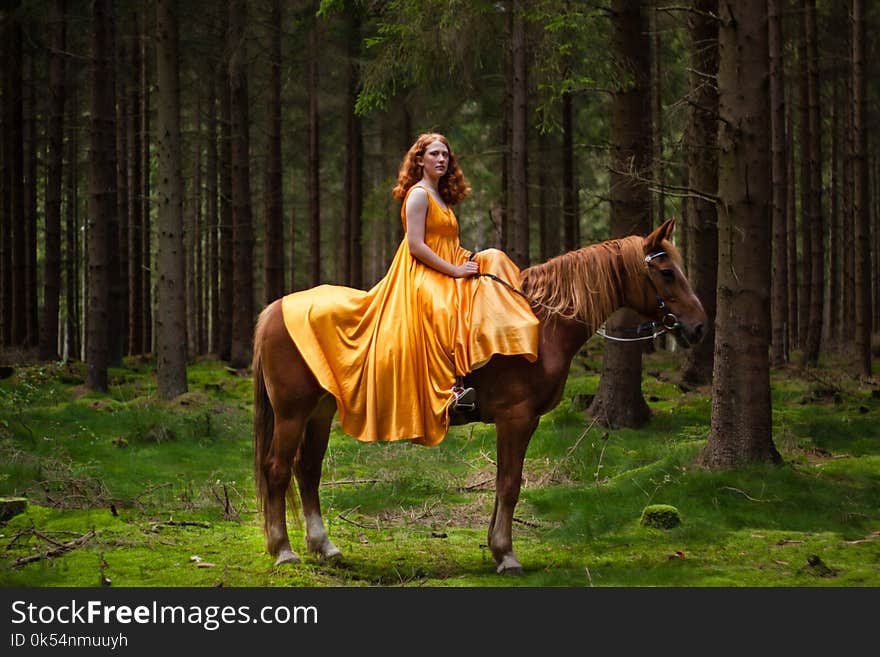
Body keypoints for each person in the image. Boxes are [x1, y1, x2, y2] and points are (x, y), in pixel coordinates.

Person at [280, 132, 539, 446]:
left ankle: (503, 347)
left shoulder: (440, 196)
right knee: (444, 308)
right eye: (434, 154)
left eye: (445, 155)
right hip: (420, 274)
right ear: (420, 160)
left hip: (446, 265)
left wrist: (467, 260)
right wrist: (455, 270)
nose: (441, 159)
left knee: (494, 260)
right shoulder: (418, 194)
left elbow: (445, 242)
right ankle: (451, 390)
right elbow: (416, 246)